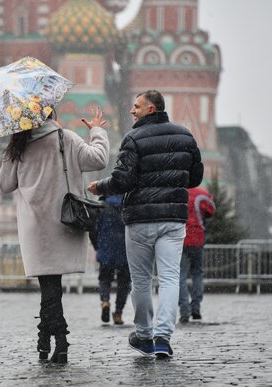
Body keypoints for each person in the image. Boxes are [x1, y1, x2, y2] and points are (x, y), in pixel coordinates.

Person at [87, 90, 204, 358]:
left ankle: (143, 334)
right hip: (173, 219)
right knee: (170, 278)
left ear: (151, 109)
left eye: (137, 106)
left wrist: (99, 187)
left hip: (140, 219)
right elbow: (195, 177)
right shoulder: (185, 135)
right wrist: (170, 183)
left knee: (140, 280)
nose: (132, 110)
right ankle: (163, 337)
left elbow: (122, 180)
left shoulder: (133, 138)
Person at [0, 107, 109, 364]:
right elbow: (99, 159)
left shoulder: (19, 145)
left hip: (35, 227)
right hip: (63, 221)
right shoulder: (65, 138)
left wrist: (9, 150)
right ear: (51, 115)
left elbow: (4, 184)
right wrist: (97, 131)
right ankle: (54, 341)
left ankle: (52, 341)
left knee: (49, 285)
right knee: (51, 286)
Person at [89, 195, 131, 325]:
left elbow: (93, 229)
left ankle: (105, 301)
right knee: (124, 283)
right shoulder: (128, 204)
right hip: (125, 250)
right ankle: (118, 313)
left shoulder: (101, 206)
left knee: (104, 279)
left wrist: (98, 246)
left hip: (106, 249)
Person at [179, 187, 215, 323]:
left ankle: (184, 310)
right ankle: (196, 307)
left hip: (180, 239)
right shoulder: (202, 195)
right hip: (197, 238)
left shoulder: (177, 192)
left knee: (180, 276)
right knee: (197, 273)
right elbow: (211, 210)